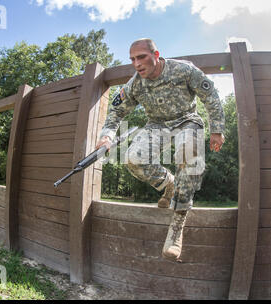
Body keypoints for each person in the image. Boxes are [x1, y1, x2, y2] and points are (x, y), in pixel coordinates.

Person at [95, 38, 225, 262]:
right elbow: (116, 112)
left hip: (187, 121)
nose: (136, 64)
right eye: (132, 59)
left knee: (188, 151)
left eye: (141, 57)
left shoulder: (183, 70)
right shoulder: (135, 84)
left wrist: (217, 129)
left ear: (156, 55)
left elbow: (210, 95)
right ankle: (170, 183)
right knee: (132, 159)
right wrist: (106, 135)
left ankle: (177, 225)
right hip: (157, 125)